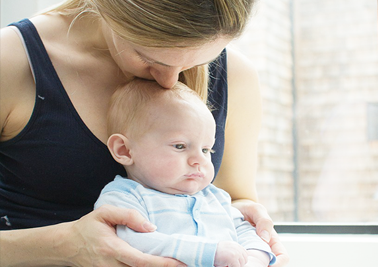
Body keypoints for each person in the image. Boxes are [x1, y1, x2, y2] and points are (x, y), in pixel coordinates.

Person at [0, 0, 289, 266]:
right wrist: (65, 247)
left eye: (195, 63)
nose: (170, 81)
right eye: (149, 57)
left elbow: (234, 198)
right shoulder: (11, 62)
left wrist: (250, 227)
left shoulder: (236, 75)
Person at [95, 79, 276, 267]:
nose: (199, 160)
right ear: (124, 150)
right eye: (180, 146)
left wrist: (255, 257)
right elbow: (133, 243)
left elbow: (244, 231)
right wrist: (209, 252)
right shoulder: (124, 198)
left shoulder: (214, 197)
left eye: (206, 150)